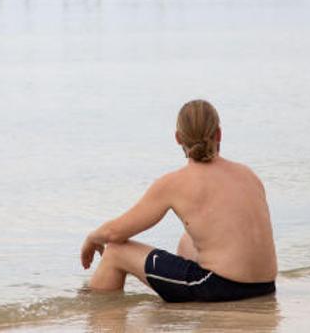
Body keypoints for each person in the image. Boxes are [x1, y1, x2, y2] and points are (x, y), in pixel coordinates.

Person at [80, 99, 277, 302]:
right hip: (265, 287)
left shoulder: (175, 182)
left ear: (178, 138)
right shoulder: (248, 175)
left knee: (115, 252)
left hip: (220, 289)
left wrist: (91, 239)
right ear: (219, 134)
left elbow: (115, 233)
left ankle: (99, 317)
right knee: (188, 242)